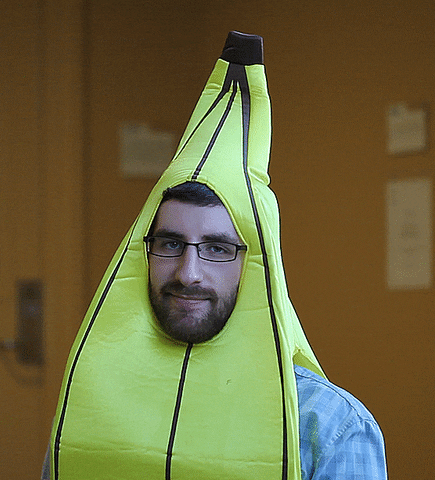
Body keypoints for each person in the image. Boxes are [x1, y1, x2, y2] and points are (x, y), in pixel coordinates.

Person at [43, 32, 387, 479]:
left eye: (218, 249)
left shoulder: (328, 426)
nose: (188, 273)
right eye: (170, 244)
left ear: (258, 267)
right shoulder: (90, 401)